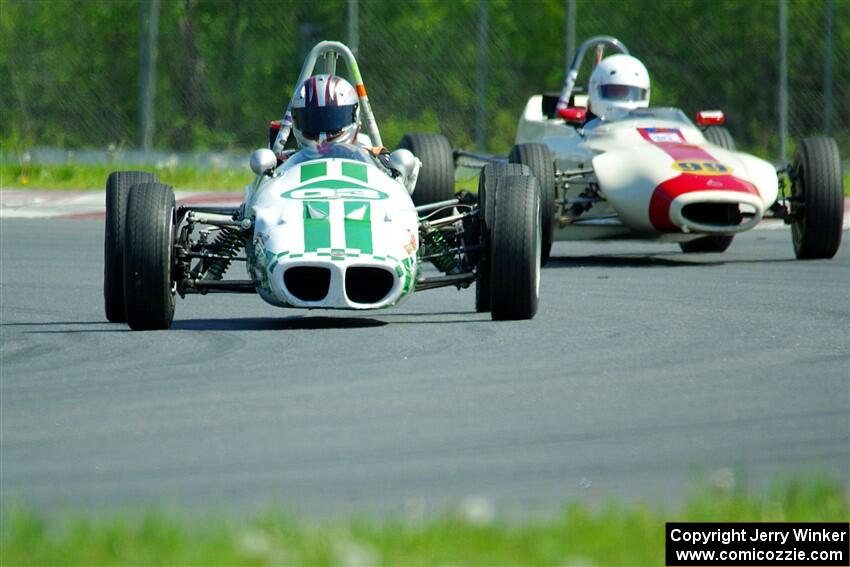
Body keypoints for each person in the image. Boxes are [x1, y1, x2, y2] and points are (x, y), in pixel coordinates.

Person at [271, 74, 420, 194]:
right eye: (313, 121)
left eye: (332, 119)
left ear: (354, 116)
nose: (323, 136)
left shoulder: (377, 157)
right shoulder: (281, 162)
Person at [587, 54, 651, 121]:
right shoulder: (586, 129)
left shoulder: (646, 126)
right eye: (613, 91)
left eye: (624, 91)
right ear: (595, 91)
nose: (619, 94)